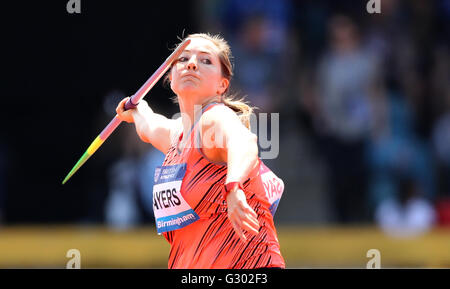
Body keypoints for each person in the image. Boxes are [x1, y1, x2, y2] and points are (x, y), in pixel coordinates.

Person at [115, 33, 285, 269]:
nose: (192, 63)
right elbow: (150, 127)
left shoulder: (215, 117)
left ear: (221, 85)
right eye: (183, 59)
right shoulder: (178, 137)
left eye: (206, 61)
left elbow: (243, 141)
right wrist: (136, 110)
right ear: (171, 77)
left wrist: (234, 186)